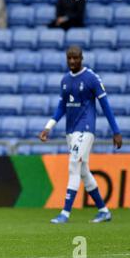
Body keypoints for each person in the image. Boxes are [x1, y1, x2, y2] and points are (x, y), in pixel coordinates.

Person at [39, 46, 123, 224]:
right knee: (83, 171)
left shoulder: (91, 78)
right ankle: (103, 210)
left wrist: (116, 131)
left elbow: (105, 105)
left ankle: (65, 213)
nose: (72, 61)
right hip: (70, 131)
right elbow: (62, 107)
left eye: (75, 58)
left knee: (73, 164)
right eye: (69, 58)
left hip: (86, 129)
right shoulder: (65, 81)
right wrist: (48, 127)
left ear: (81, 58)